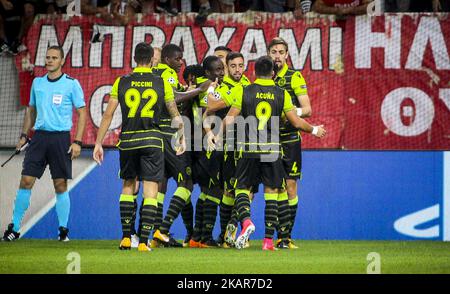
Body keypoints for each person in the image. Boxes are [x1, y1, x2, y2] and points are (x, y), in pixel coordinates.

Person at [212, 55, 326, 250]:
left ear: (254, 72)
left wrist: (215, 135)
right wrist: (314, 130)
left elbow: (230, 117)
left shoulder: (244, 90)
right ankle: (267, 241)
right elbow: (296, 122)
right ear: (273, 73)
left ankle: (246, 222)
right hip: (272, 149)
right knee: (272, 192)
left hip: (247, 149)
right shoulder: (281, 93)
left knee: (242, 188)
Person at [93, 42, 185, 252]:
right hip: (152, 140)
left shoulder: (122, 81)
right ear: (153, 58)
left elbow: (108, 114)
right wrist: (182, 137)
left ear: (134, 58)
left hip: (128, 141)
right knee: (151, 189)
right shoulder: (161, 81)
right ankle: (143, 242)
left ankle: (126, 238)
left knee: (128, 185)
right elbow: (173, 112)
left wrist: (98, 142)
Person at [2, 45, 87, 242]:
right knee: (26, 181)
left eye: (54, 58)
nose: (50, 60)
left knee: (60, 185)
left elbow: (82, 113)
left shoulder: (71, 84)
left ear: (62, 61)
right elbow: (31, 110)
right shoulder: (37, 83)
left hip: (61, 139)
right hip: (39, 138)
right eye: (47, 57)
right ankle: (14, 228)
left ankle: (63, 230)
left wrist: (77, 142)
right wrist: (24, 135)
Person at [150, 44, 211, 248]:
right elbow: (173, 99)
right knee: (186, 183)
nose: (180, 62)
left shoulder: (153, 73)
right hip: (171, 133)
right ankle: (163, 230)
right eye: (177, 59)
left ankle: (157, 232)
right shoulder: (167, 73)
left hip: (155, 133)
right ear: (167, 60)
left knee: (161, 183)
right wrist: (198, 90)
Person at [268, 37, 311, 249]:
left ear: (287, 55)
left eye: (281, 52)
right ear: (269, 54)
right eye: (274, 51)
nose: (277, 55)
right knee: (274, 188)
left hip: (291, 139)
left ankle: (285, 236)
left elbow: (308, 109)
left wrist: (290, 113)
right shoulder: (263, 77)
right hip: (270, 140)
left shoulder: (294, 77)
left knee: (291, 186)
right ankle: (272, 235)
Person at [206, 51, 251, 248]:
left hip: (248, 142)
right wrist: (210, 133)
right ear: (226, 69)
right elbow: (208, 110)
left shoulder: (248, 83)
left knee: (247, 191)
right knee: (229, 191)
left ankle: (231, 234)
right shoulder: (226, 88)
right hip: (230, 144)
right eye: (233, 66)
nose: (237, 70)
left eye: (240, 65)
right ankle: (227, 235)